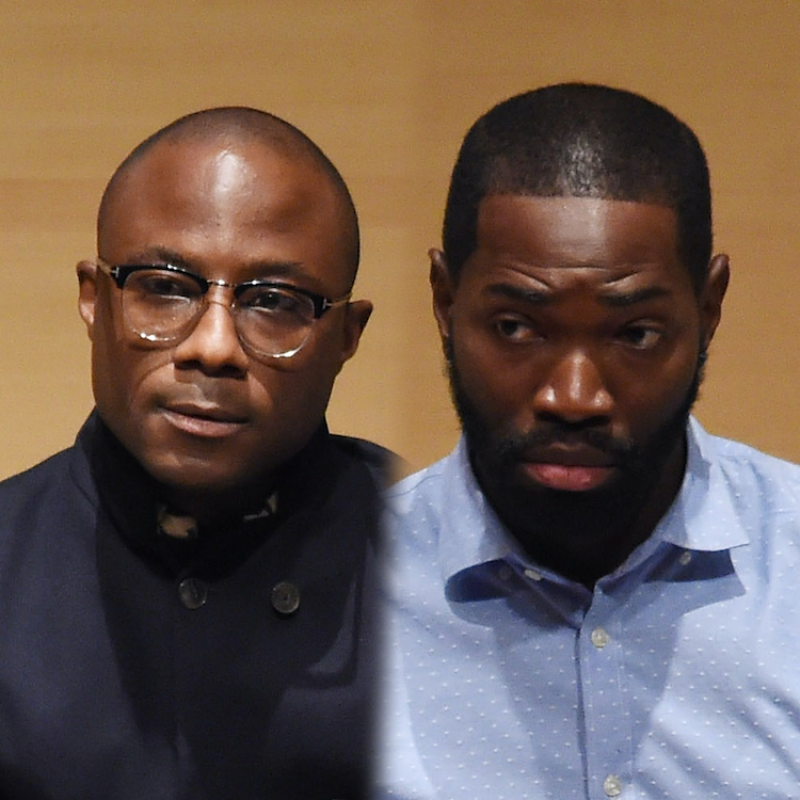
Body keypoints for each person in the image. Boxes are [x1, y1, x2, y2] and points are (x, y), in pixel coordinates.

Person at [378, 83, 800, 799]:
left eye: (634, 334)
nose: (573, 398)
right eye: (517, 327)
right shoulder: (330, 610)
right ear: (445, 302)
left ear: (709, 307)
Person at [0, 107, 390, 799]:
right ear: (95, 299)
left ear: (347, 336)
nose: (213, 347)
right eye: (165, 288)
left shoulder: (442, 572)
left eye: (274, 301)